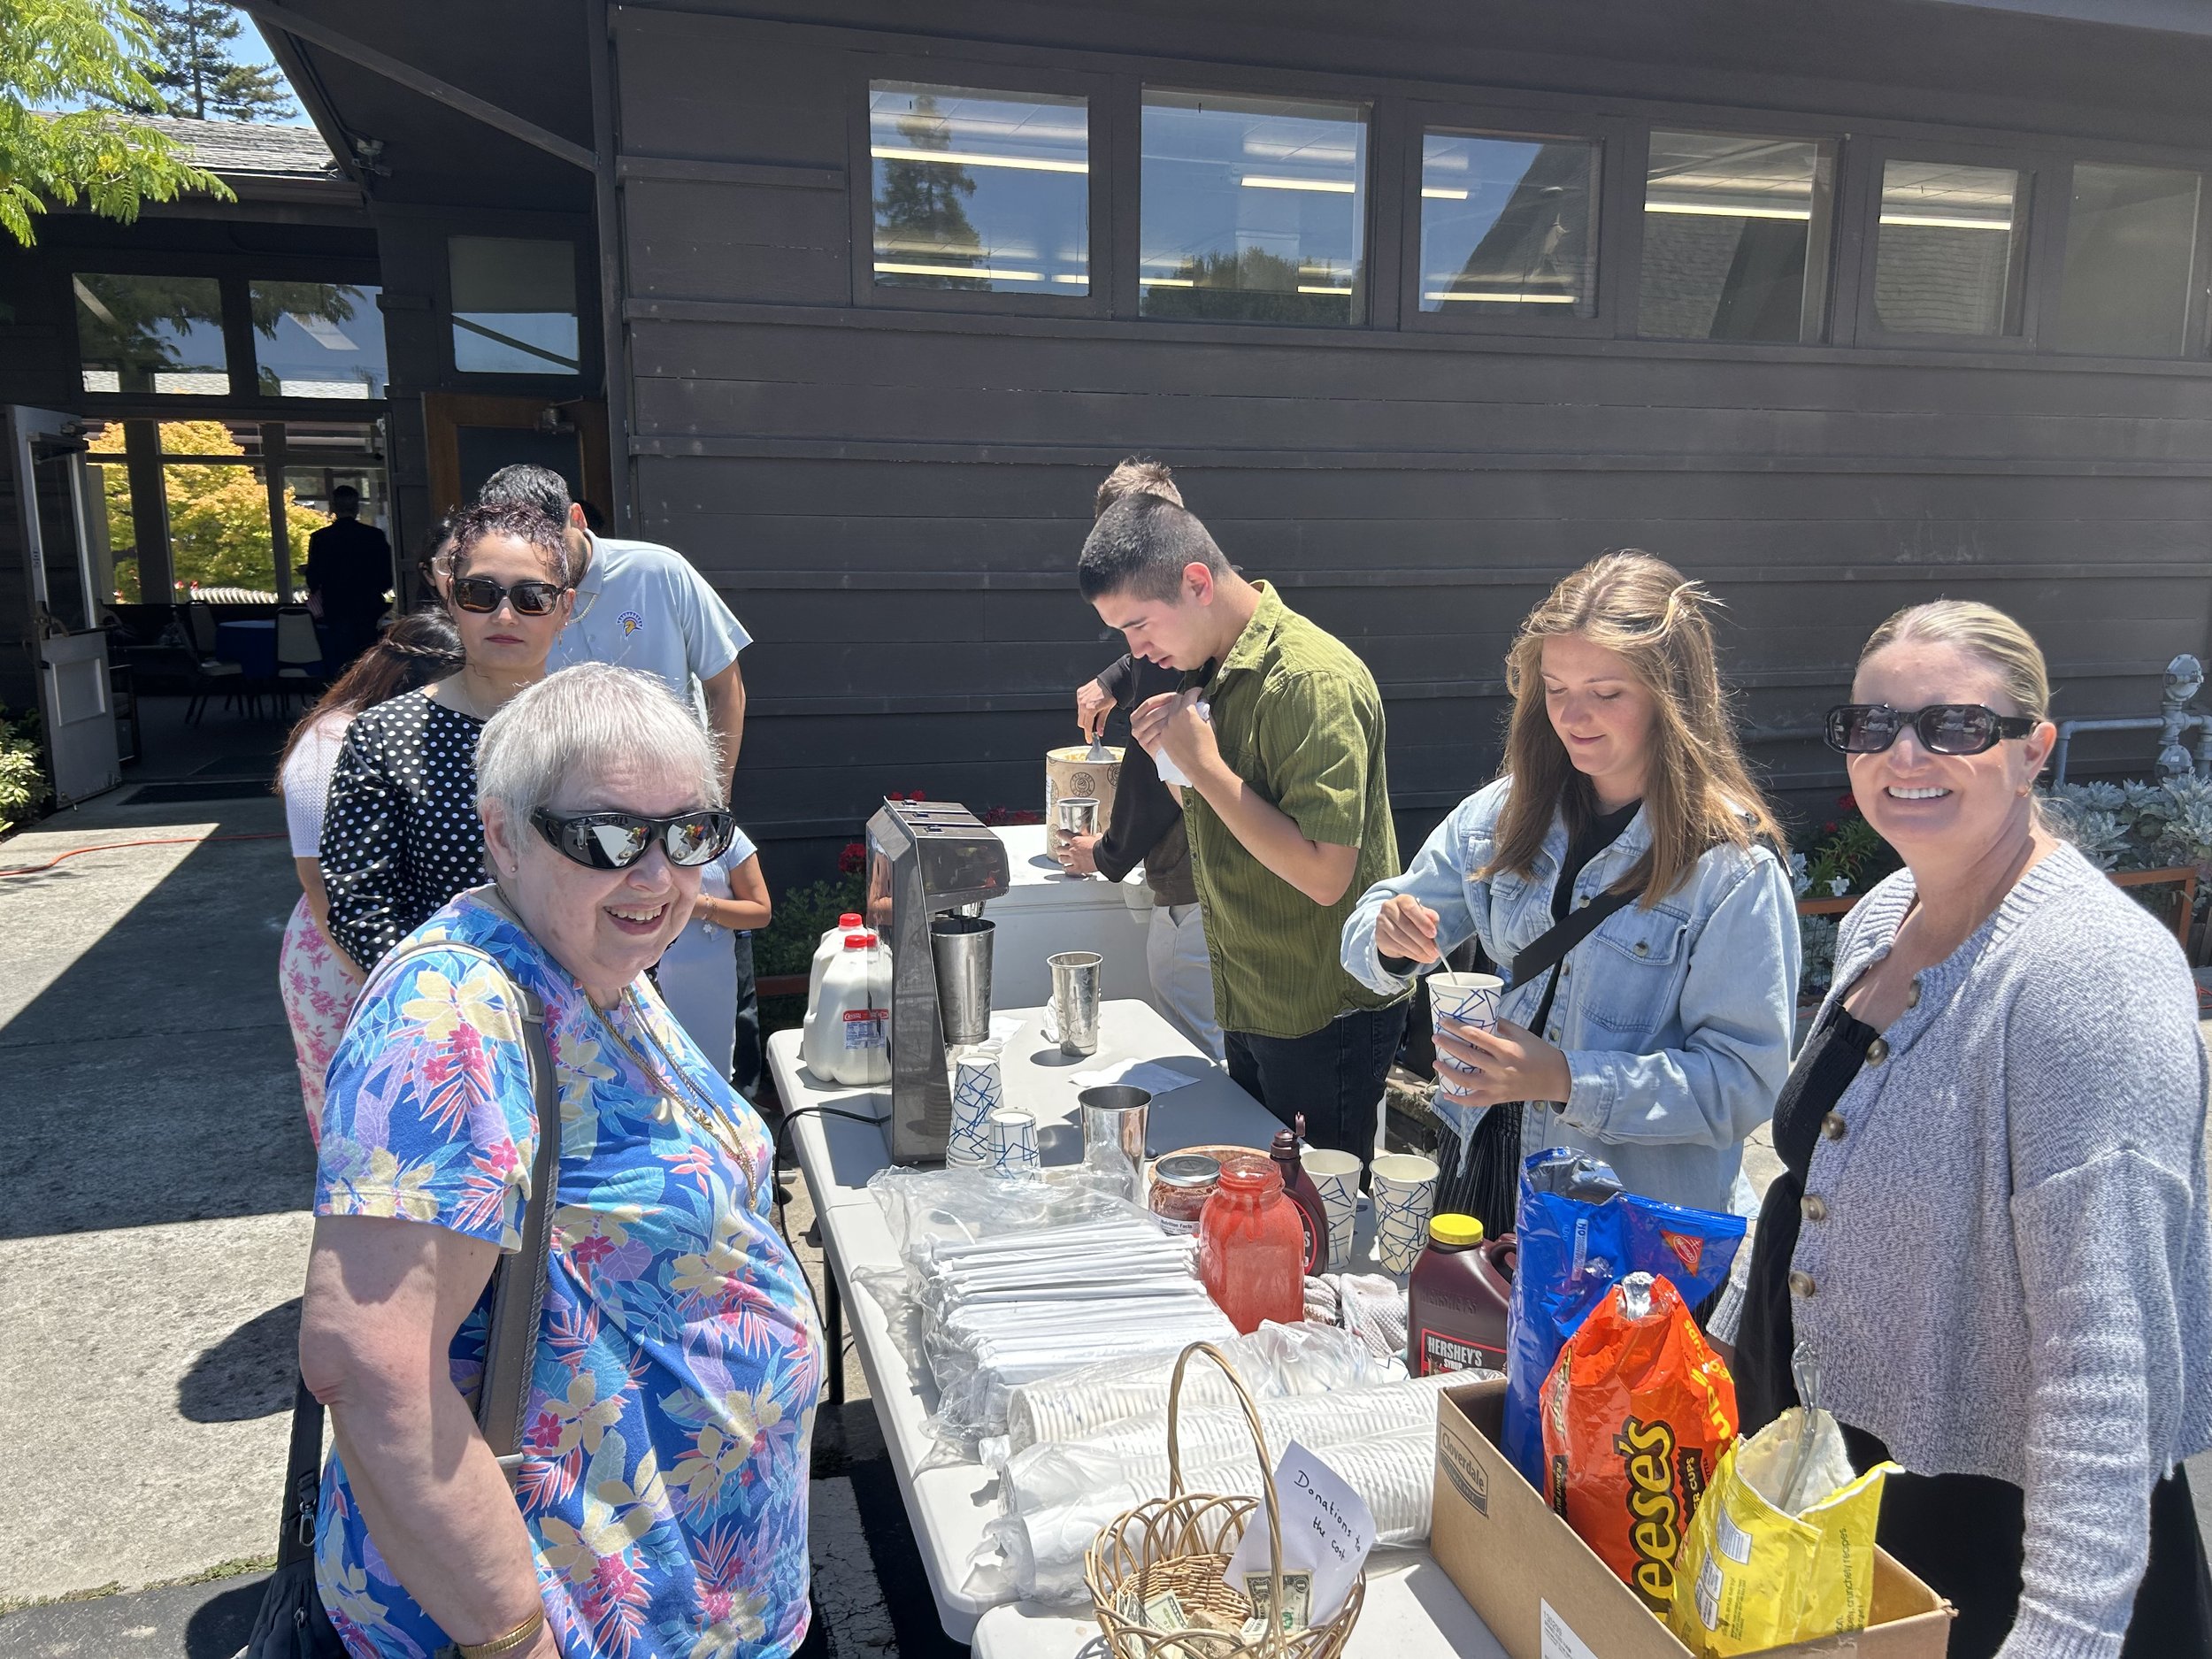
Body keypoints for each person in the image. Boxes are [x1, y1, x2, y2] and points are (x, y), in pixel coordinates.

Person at [300, 664, 825, 1659]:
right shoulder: (450, 1011)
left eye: (690, 835)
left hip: (690, 1596)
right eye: (609, 837)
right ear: (501, 831)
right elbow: (369, 1366)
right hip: (563, 1618)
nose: (659, 875)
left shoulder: (602, 964)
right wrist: (510, 1641)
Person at [1726, 601, 2212, 1658]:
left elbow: (2106, 1351)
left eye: (1953, 726)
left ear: (2033, 750)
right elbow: (1805, 1185)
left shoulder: (2086, 973)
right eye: (1871, 725)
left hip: (2006, 1545)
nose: (1903, 753)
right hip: (1854, 1487)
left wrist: (2066, 1633)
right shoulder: (1880, 914)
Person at [1341, 552, 1800, 1227]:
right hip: (1479, 1166)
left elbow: (1744, 1084)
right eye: (1554, 688)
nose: (1573, 715)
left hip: (1624, 1222)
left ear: (1673, 694)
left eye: (1606, 692)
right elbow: (1371, 922)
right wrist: (1388, 936)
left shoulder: (1733, 870)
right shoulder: (1504, 811)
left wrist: (1566, 1078)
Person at [1077, 486, 1405, 1161]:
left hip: (1323, 1013)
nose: (1137, 650)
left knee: (1321, 1225)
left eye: (1140, 625)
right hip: (1252, 995)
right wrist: (1178, 763)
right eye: (1123, 635)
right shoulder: (1214, 670)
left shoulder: (1309, 680)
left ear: (1196, 581)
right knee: (1264, 1209)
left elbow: (1324, 875)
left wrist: (1204, 768)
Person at [320, 501, 576, 972]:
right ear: (451, 598)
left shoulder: (600, 725)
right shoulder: (385, 736)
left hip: (594, 1001)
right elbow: (361, 901)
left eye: (532, 596)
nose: (504, 615)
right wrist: (445, 997)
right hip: (451, 1012)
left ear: (564, 608)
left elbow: (650, 872)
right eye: (481, 593)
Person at [275, 610, 463, 1139]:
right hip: (345, 950)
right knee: (362, 1108)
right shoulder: (330, 742)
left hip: (416, 943)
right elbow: (321, 885)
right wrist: (388, 986)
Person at [1059, 459, 1221, 1060]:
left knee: (1199, 1056)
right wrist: (1110, 681)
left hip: (1195, 900)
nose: (1138, 646)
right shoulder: (1203, 618)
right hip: (1212, 901)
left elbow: (1159, 777)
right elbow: (1148, 665)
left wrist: (1104, 852)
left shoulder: (1185, 641)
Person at [474, 465, 750, 788]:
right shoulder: (497, 602)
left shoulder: (660, 571)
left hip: (673, 789)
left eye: (553, 546)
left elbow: (726, 688)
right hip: (562, 800)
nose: (547, 565)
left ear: (577, 518)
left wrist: (717, 796)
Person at [654, 821, 772, 1095]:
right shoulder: (640, 833)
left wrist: (700, 906)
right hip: (641, 976)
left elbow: (761, 911)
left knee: (709, 1078)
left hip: (708, 982)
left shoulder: (726, 837)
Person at [303, 485, 395, 669]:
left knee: (341, 663)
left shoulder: (321, 538)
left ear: (333, 508)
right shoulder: (374, 536)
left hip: (336, 607)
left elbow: (313, 579)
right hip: (368, 608)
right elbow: (387, 576)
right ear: (356, 507)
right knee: (368, 660)